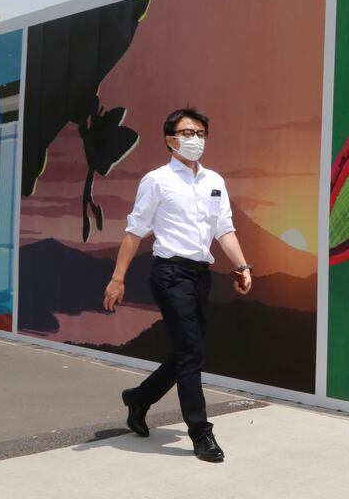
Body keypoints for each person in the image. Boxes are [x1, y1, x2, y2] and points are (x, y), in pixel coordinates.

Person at [102, 107, 252, 462]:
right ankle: (201, 432)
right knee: (190, 354)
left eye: (200, 133)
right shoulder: (157, 180)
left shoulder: (215, 181)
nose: (195, 139)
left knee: (190, 351)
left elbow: (224, 229)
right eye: (187, 133)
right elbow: (135, 230)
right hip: (170, 274)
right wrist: (117, 277)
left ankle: (139, 398)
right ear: (170, 140)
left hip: (201, 275)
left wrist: (242, 265)